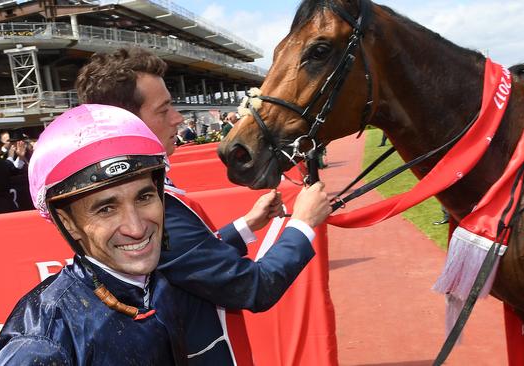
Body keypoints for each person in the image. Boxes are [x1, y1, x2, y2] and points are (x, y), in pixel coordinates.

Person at [76, 47, 332, 364]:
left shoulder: (134, 192)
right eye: (164, 109)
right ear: (128, 123)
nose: (178, 118)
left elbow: (187, 258)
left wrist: (247, 225)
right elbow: (253, 287)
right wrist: (304, 223)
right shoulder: (144, 206)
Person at [0, 104, 190, 365]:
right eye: (106, 209)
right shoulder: (41, 343)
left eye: (144, 196)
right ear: (68, 222)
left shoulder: (155, 284)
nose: (136, 228)